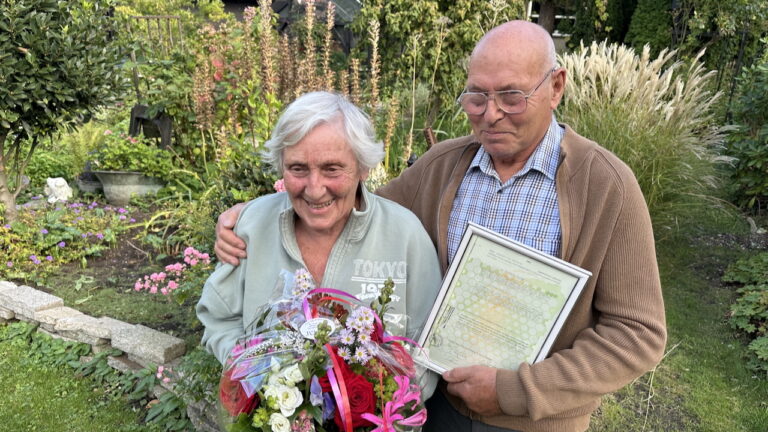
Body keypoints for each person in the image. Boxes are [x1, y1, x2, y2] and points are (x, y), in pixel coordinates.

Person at [213, 21, 667, 432]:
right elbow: (347, 204)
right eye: (476, 96)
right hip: (436, 410)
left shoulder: (607, 185)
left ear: (556, 86)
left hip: (535, 421)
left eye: (511, 96)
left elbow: (638, 335)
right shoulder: (443, 165)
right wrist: (249, 215)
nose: (490, 114)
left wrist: (516, 390)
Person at [195, 91, 442, 367]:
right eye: (298, 169)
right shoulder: (252, 227)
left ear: (363, 168)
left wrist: (394, 401)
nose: (314, 189)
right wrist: (254, 377)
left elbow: (430, 344)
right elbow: (220, 319)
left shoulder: (406, 236)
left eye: (332, 169)